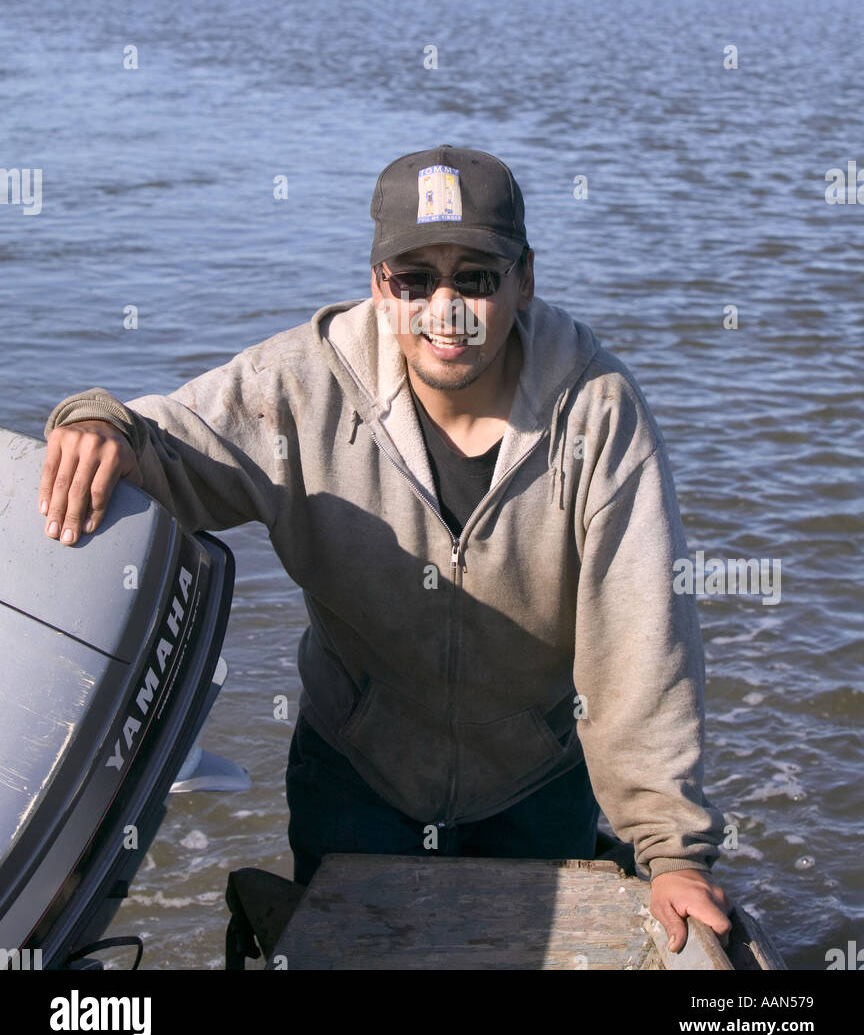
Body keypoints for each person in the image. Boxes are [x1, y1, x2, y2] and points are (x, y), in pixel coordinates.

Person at [38, 143, 731, 955]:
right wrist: (99, 422)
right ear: (379, 286)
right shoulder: (302, 386)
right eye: (415, 279)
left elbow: (642, 639)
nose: (446, 308)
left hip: (535, 781)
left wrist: (673, 851)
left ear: (525, 280)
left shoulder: (598, 415)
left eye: (476, 276)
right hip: (357, 776)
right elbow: (177, 448)